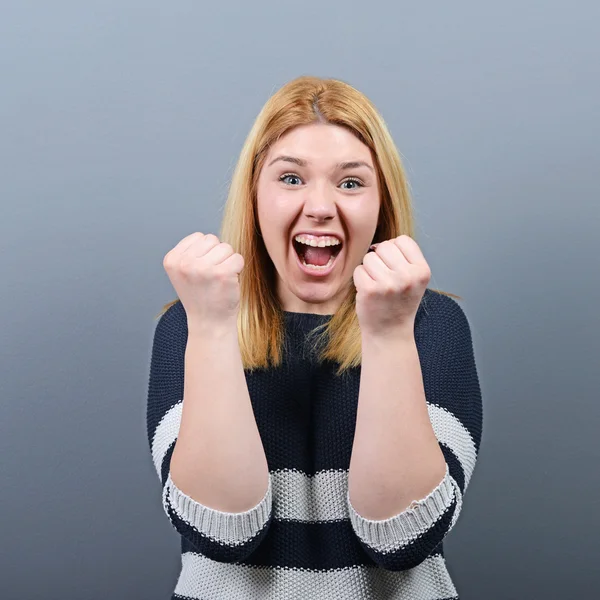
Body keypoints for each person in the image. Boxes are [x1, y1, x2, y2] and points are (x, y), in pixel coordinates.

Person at [146, 75, 483, 599]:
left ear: (380, 202)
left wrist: (390, 335)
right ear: (254, 195)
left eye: (350, 182)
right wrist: (211, 328)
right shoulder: (189, 324)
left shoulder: (431, 326)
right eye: (290, 179)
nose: (321, 207)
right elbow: (221, 533)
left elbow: (404, 539)